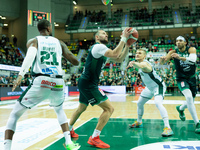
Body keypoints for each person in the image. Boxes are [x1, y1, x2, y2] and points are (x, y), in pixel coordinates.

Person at [4, 19, 80, 150]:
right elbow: (75, 62)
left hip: (42, 81)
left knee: (14, 115)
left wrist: (21, 74)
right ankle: (69, 143)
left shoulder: (33, 41)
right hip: (58, 82)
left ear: (38, 30)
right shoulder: (59, 43)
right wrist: (63, 53)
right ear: (49, 29)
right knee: (59, 110)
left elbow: (30, 56)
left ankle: (6, 148)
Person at [68, 29, 132, 149]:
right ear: (97, 37)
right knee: (109, 109)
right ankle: (94, 138)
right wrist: (123, 38)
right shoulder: (98, 47)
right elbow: (115, 54)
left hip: (86, 82)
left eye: (107, 34)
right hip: (88, 83)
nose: (106, 35)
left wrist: (127, 46)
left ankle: (68, 130)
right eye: (103, 33)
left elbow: (118, 59)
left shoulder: (102, 51)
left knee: (81, 107)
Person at [126, 48, 173, 137]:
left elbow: (143, 66)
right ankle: (139, 122)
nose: (137, 54)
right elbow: (140, 66)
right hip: (149, 88)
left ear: (144, 56)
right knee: (139, 103)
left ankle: (168, 127)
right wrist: (135, 63)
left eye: (139, 53)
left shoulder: (145, 64)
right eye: (136, 53)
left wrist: (133, 63)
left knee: (158, 103)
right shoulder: (140, 63)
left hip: (158, 86)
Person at [160, 35, 200, 133]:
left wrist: (180, 58)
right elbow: (162, 63)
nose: (178, 42)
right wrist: (162, 60)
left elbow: (192, 61)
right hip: (181, 79)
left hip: (192, 79)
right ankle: (197, 123)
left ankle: (180, 108)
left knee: (191, 101)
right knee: (189, 98)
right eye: (177, 41)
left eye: (180, 40)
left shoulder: (191, 49)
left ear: (185, 42)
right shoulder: (173, 52)